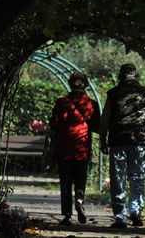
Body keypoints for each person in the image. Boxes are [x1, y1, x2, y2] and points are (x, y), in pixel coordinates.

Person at [99, 63, 145, 228]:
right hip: (140, 141)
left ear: (121, 75)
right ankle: (136, 211)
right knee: (137, 177)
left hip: (118, 140)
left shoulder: (113, 93)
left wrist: (102, 139)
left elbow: (105, 119)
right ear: (135, 75)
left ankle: (120, 217)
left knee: (118, 178)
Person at [49, 71, 100, 225]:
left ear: (71, 84)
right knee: (80, 178)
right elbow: (96, 127)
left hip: (64, 148)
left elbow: (54, 124)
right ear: (85, 85)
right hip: (82, 148)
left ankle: (67, 215)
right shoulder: (91, 104)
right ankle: (79, 200)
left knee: (65, 181)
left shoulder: (61, 102)